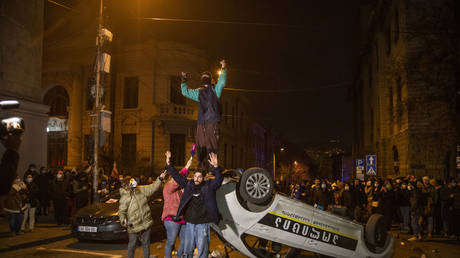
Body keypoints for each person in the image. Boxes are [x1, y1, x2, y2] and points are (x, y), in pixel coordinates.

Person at [165, 151, 223, 258]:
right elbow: (177, 176)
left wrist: (216, 166)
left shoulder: (208, 187)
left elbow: (218, 180)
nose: (196, 179)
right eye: (195, 176)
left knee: (202, 251)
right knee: (188, 250)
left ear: (203, 178)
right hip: (189, 224)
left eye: (199, 177)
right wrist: (168, 164)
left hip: (202, 224)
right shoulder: (188, 185)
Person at [180, 60, 227, 171]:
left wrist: (224, 69)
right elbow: (185, 92)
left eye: (206, 77)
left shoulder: (215, 91)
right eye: (203, 77)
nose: (204, 78)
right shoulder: (199, 92)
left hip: (212, 122)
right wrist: (183, 80)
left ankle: (213, 168)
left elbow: (222, 82)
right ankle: (200, 168)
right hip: (201, 123)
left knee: (211, 145)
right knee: (201, 145)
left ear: (210, 79)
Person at [118, 171, 167, 258]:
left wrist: (160, 178)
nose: (134, 183)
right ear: (127, 185)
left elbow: (153, 187)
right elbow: (121, 211)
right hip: (134, 224)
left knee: (146, 244)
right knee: (132, 245)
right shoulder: (125, 197)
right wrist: (123, 220)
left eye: (133, 181)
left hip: (146, 222)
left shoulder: (141, 190)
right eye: (132, 182)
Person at [162, 157, 192, 258]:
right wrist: (186, 167)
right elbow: (177, 180)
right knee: (171, 243)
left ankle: (180, 256)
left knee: (185, 243)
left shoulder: (179, 191)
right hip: (171, 219)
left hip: (182, 219)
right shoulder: (167, 188)